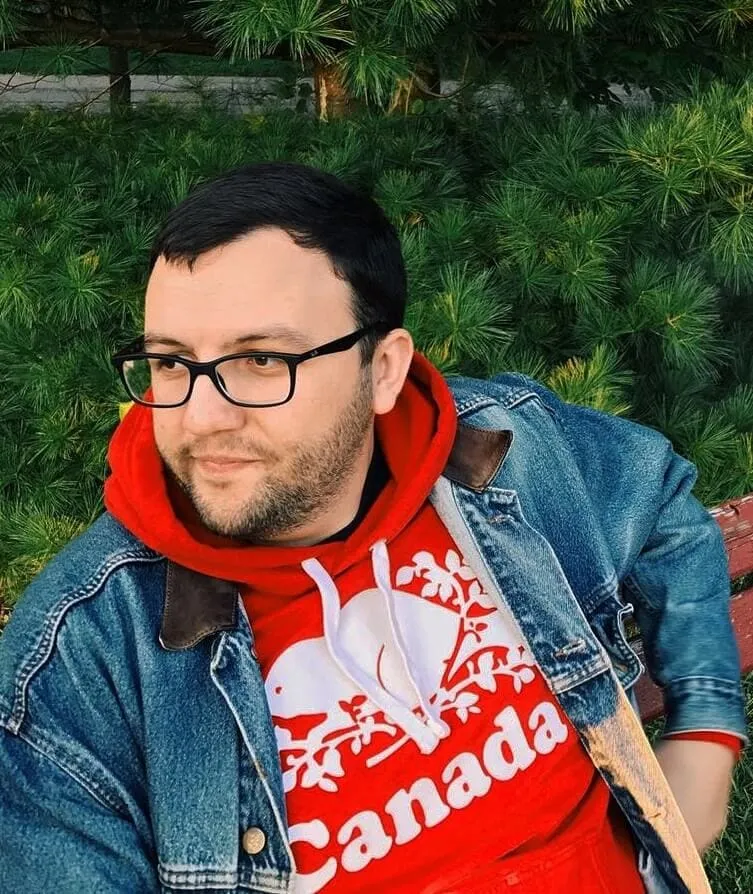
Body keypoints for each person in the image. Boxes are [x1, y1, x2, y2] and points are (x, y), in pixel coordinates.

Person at [0, 162, 746, 894]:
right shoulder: (77, 666)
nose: (201, 418)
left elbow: (664, 511)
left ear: (383, 370)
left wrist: (705, 733)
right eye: (169, 362)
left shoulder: (499, 453)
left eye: (261, 359)